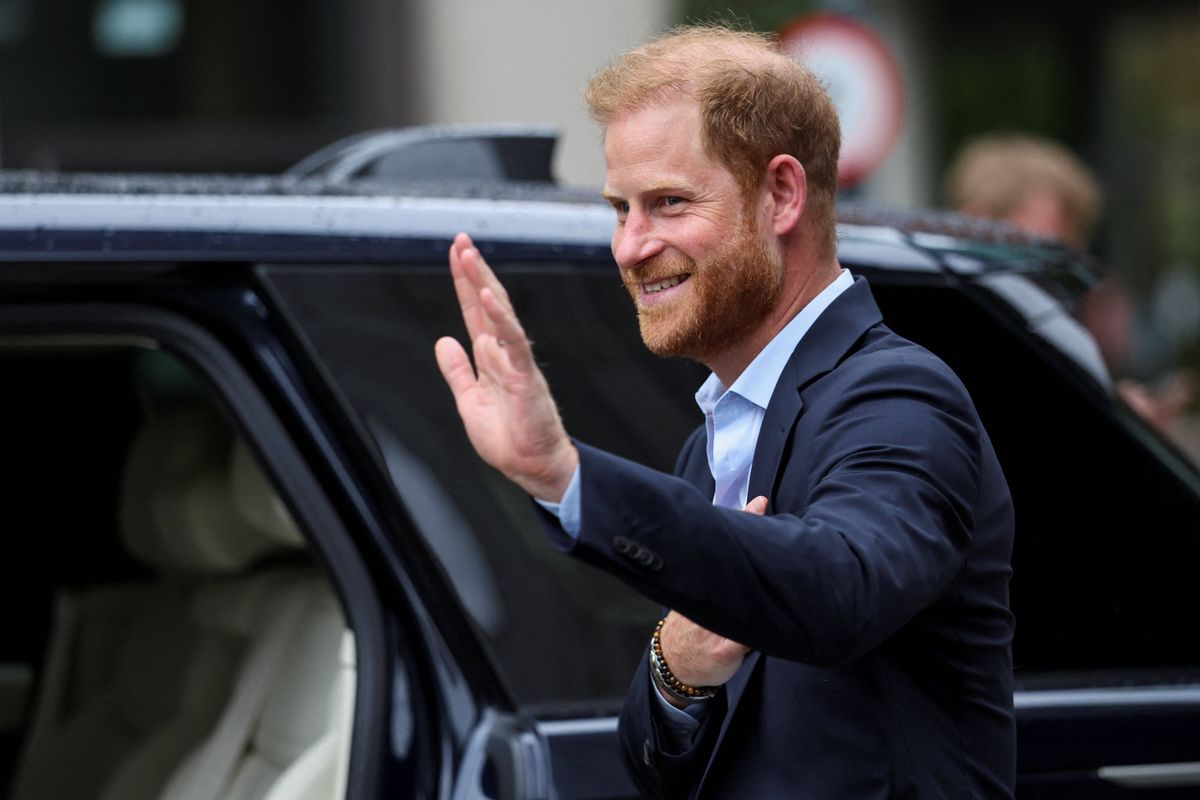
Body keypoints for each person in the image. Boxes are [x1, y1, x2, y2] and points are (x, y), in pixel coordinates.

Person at [436, 25, 1015, 799]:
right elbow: (654, 763)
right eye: (621, 209)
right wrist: (677, 675)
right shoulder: (708, 446)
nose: (631, 246)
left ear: (781, 193)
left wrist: (565, 476)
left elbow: (838, 590)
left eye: (669, 203)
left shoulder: (899, 398)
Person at [946, 134, 1195, 434]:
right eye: (1045, 247)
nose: (1064, 266)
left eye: (1071, 244)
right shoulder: (947, 322)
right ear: (976, 220)